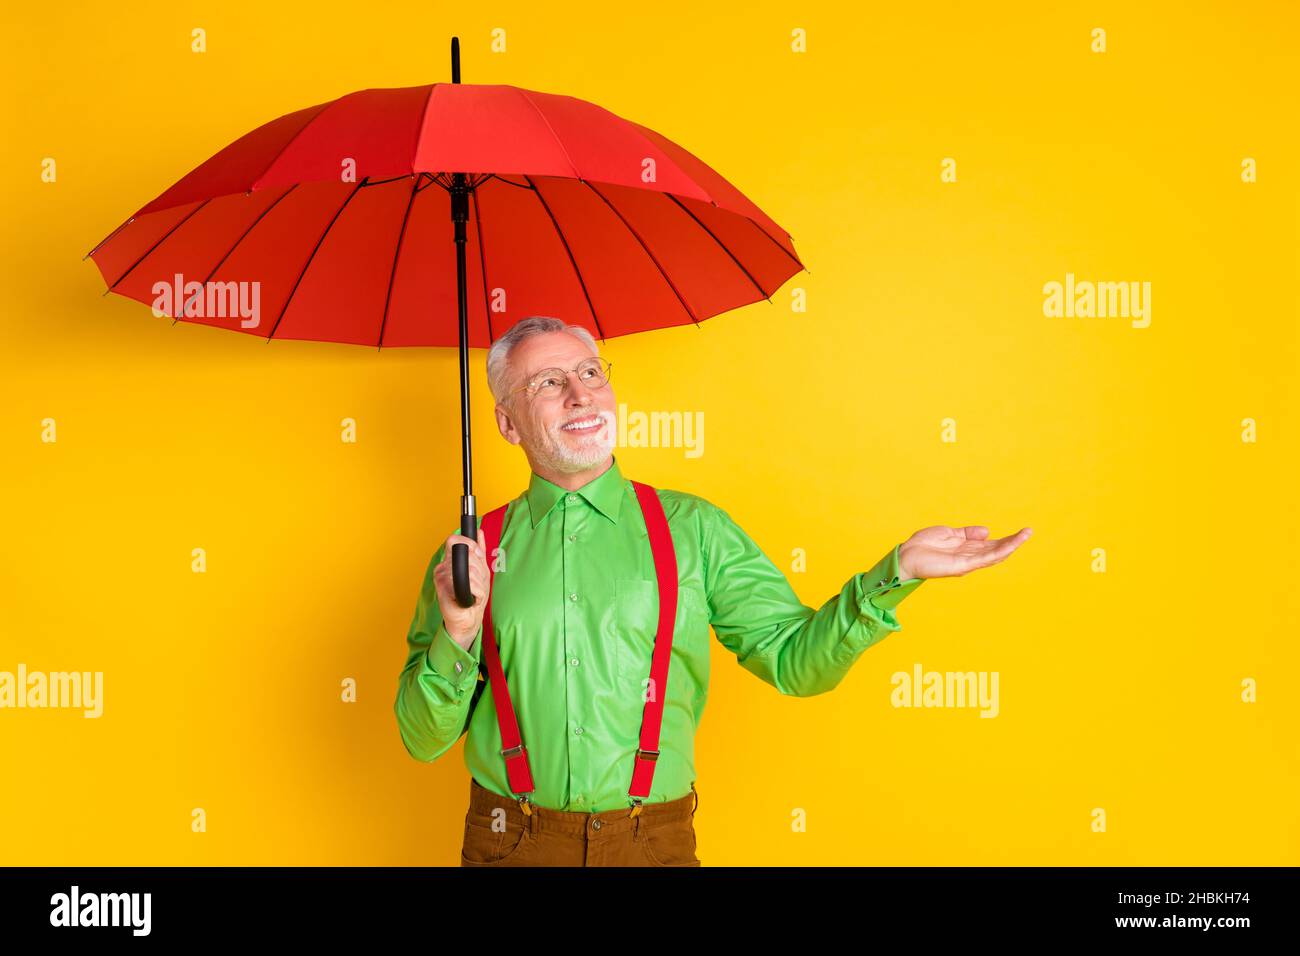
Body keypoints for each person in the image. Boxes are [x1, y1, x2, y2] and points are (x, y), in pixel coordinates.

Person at [394, 315, 1033, 866]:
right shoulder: (470, 556)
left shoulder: (693, 529)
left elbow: (795, 661)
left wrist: (895, 574)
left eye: (591, 373)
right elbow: (421, 740)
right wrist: (457, 631)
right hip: (511, 843)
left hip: (652, 843)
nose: (580, 396)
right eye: (548, 384)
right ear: (507, 423)